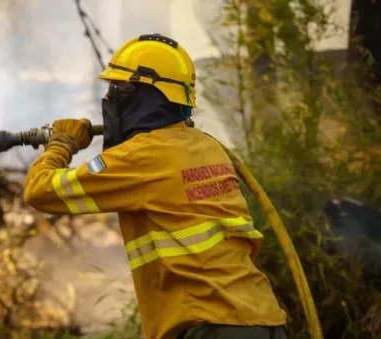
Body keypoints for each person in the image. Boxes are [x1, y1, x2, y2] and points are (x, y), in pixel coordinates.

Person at [23, 33, 288, 339]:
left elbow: (40, 190)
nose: (108, 100)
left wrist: (61, 144)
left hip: (209, 326)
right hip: (264, 322)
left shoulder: (141, 157)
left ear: (140, 97)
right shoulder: (208, 147)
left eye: (116, 90)